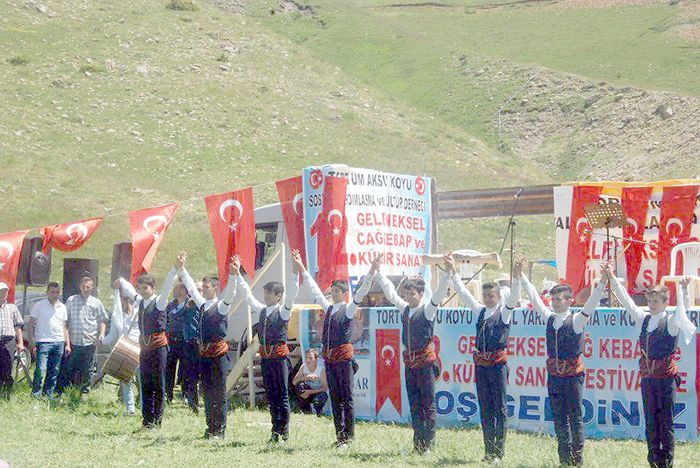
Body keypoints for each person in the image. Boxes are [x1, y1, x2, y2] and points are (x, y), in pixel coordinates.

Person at [515, 254, 605, 468]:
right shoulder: (550, 318)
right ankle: (564, 460)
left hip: (573, 376)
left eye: (559, 300)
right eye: (553, 299)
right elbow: (535, 300)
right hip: (554, 376)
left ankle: (578, 460)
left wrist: (602, 282)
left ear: (569, 301)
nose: (554, 303)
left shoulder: (576, 321)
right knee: (559, 418)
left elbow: (591, 304)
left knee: (574, 418)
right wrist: (521, 277)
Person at [604, 264, 695, 468]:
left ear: (665, 303)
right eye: (650, 301)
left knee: (666, 423)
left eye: (656, 301)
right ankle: (654, 460)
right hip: (648, 380)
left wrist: (683, 291)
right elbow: (627, 302)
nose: (652, 304)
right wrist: (612, 278)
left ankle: (667, 462)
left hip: (665, 380)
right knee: (651, 422)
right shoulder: (644, 320)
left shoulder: (671, 322)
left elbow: (683, 309)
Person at [292, 250, 373, 448]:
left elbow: (362, 292)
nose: (333, 293)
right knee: (336, 398)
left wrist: (372, 271)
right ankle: (339, 436)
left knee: (347, 398)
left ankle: (349, 436)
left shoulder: (349, 309)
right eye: (333, 290)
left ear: (344, 294)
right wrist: (302, 268)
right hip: (331, 361)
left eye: (337, 291)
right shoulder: (328, 308)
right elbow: (314, 290)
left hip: (344, 361)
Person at [370, 253, 449, 454]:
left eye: (412, 294)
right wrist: (378, 272)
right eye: (407, 295)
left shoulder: (428, 310)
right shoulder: (404, 309)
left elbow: (439, 294)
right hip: (410, 365)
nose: (408, 298)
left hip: (425, 364)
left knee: (427, 405)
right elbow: (390, 293)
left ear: (421, 294)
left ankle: (428, 445)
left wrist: (448, 271)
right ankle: (418, 445)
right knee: (414, 404)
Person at [445, 255, 520, 463]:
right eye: (485, 295)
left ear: (498, 297)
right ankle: (488, 450)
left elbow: (514, 296)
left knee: (499, 408)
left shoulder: (504, 313)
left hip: (497, 367)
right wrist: (452, 271)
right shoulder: (479, 312)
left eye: (491, 295)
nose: (488, 298)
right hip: (482, 367)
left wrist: (517, 276)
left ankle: (499, 451)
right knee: (485, 408)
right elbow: (464, 294)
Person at [233, 253, 299, 443]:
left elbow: (293, 293)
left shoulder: (283, 311)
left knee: (282, 394)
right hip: (267, 358)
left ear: (278, 296)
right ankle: (274, 431)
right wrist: (238, 275)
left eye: (269, 293)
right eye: (265, 293)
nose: (265, 295)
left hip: (279, 359)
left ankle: (284, 432)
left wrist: (295, 273)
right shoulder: (262, 310)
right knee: (271, 394)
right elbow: (247, 296)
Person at [178, 251, 238, 439]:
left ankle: (219, 430)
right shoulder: (203, 304)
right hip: (204, 355)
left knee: (218, 393)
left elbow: (230, 293)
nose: (203, 289)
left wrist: (234, 274)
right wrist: (182, 269)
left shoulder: (221, 305)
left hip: (218, 356)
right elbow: (191, 288)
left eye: (207, 286)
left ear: (215, 288)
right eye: (203, 286)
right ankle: (210, 427)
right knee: (206, 391)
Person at [114, 258, 179, 429]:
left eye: (146, 288)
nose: (142, 291)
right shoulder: (141, 301)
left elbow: (167, 287)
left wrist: (175, 269)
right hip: (145, 348)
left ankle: (157, 421)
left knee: (158, 384)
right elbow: (130, 291)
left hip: (158, 348)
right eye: (141, 288)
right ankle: (147, 420)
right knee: (146, 383)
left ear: (153, 288)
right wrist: (121, 281)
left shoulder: (159, 301)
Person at [56, 276, 108, 396]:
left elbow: (103, 320)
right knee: (68, 367)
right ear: (79, 286)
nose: (86, 289)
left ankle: (84, 391)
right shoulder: (71, 300)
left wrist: (101, 334)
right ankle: (64, 391)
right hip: (74, 341)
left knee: (88, 370)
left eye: (88, 287)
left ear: (92, 288)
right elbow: (65, 322)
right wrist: (66, 340)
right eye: (84, 286)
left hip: (90, 342)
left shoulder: (97, 303)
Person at [101, 290, 141, 415]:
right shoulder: (116, 316)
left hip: (139, 350)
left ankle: (145, 407)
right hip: (124, 349)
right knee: (126, 381)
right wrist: (101, 342)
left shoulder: (139, 313)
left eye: (121, 300)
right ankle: (130, 409)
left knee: (142, 380)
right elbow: (112, 334)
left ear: (128, 300)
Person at [28, 282, 70, 399]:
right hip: (43, 342)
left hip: (59, 342)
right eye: (52, 292)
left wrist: (67, 344)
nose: (55, 295)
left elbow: (64, 327)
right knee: (41, 369)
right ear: (47, 292)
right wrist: (32, 342)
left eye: (57, 292)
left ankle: (48, 395)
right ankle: (36, 394)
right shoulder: (39, 305)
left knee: (54, 371)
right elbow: (30, 324)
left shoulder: (62, 307)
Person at [0, 282, 24, 401]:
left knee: (7, 367)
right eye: (1, 291)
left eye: (5, 291)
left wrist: (20, 343)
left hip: (8, 341)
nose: (3, 293)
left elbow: (18, 326)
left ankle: (6, 395)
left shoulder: (12, 307)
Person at [165, 282, 188, 404]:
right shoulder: (170, 305)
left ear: (184, 290)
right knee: (169, 369)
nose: (174, 290)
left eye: (177, 288)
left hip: (185, 341)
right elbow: (166, 320)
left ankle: (185, 394)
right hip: (172, 341)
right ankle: (168, 395)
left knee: (185, 369)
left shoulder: (190, 304)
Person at [293, 347, 328, 416]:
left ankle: (319, 412)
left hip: (317, 392)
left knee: (321, 397)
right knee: (299, 386)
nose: (308, 360)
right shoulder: (303, 367)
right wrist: (305, 377)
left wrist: (310, 392)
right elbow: (294, 382)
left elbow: (324, 388)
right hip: (307, 391)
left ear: (316, 360)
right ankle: (306, 410)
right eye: (306, 358)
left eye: (311, 358)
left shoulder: (321, 370)